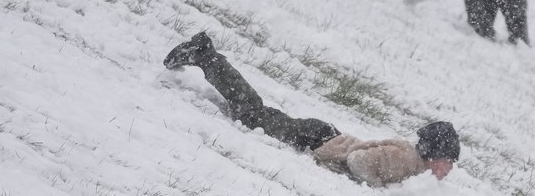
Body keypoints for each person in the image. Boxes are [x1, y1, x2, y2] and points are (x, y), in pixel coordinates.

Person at [163, 32, 459, 186]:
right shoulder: (406, 159)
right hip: (316, 139)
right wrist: (377, 187)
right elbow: (358, 161)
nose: (450, 169)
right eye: (449, 160)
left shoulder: (414, 165)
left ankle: (206, 56)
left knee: (256, 113)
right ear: (435, 154)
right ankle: (205, 55)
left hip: (323, 135)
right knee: (251, 113)